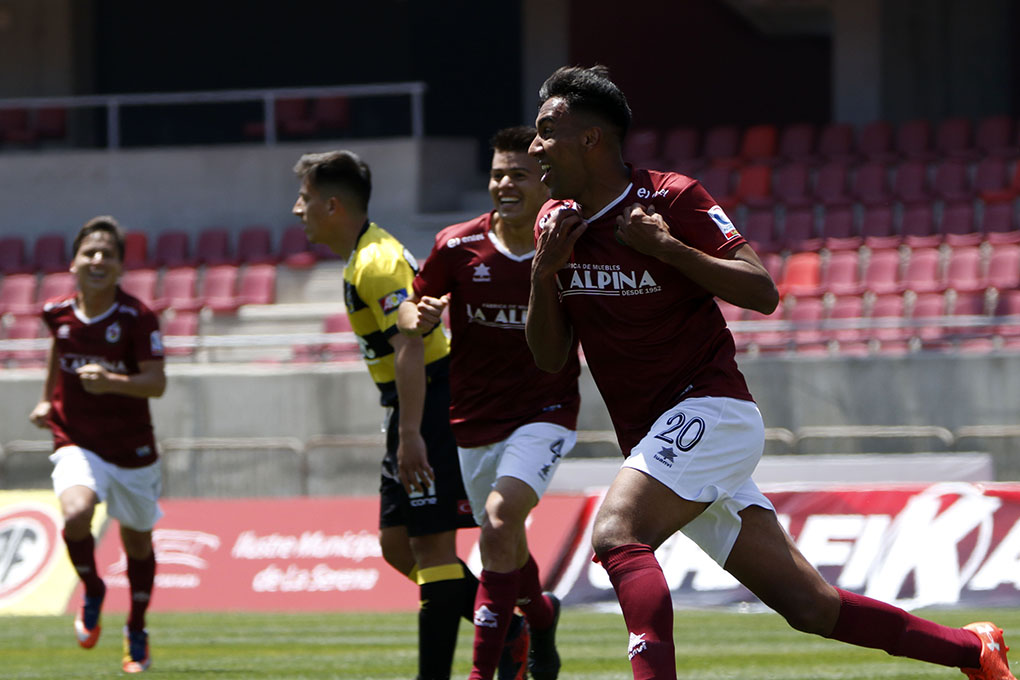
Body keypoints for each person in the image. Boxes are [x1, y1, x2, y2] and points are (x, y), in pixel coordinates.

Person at [525, 65, 1014, 680]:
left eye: (547, 131)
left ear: (591, 139)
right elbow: (548, 359)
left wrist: (668, 248)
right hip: (661, 441)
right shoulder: (555, 225)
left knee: (618, 533)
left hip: (711, 410)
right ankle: (974, 651)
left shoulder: (671, 198)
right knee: (812, 607)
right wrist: (544, 273)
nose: (535, 146)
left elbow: (762, 291)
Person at [292, 150, 526, 680]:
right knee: (399, 546)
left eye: (304, 199)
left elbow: (413, 344)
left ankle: (483, 647)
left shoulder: (378, 261)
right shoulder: (362, 257)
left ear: (332, 205)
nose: (296, 209)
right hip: (411, 404)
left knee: (432, 545)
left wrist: (413, 433)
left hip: (432, 398)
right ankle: (509, 628)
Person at [398, 126, 580, 680]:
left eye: (517, 174)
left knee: (500, 521)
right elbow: (408, 315)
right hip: (473, 421)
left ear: (543, 182)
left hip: (546, 412)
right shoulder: (457, 245)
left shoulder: (570, 243)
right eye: (498, 173)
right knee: (503, 538)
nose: (504, 183)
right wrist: (419, 317)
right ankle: (541, 615)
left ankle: (484, 672)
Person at [29, 216, 165, 674]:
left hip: (132, 451)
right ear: (74, 262)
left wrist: (111, 382)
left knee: (138, 545)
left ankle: (137, 626)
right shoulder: (57, 313)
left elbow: (156, 383)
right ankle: (92, 588)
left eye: (108, 253)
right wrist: (48, 400)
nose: (98, 259)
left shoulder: (137, 318)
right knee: (75, 513)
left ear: (121, 266)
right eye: (90, 252)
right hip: (77, 440)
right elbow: (58, 348)